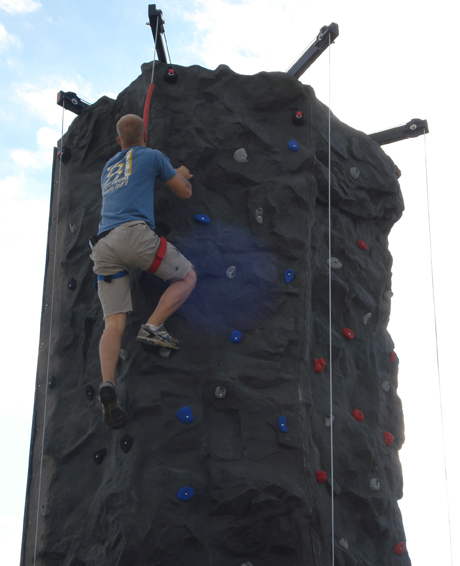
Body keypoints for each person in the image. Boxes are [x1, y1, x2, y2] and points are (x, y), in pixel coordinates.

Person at [90, 114, 197, 429]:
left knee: (113, 324)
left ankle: (108, 382)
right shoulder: (152, 156)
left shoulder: (109, 168)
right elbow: (184, 192)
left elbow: (133, 178)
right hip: (135, 237)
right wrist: (181, 173)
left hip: (104, 246)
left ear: (118, 141)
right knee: (187, 277)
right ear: (146, 136)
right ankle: (153, 326)